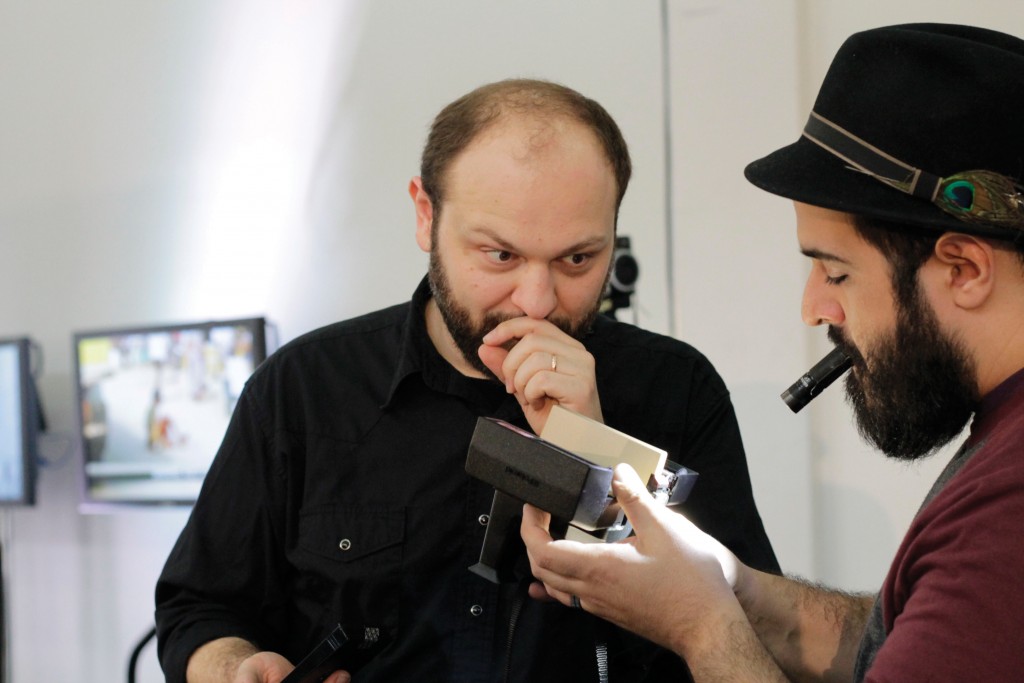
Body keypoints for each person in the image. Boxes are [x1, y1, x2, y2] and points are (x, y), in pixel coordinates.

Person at [154, 78, 780, 683]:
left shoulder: (675, 389)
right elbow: (198, 608)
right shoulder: (304, 390)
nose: (536, 302)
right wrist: (233, 667)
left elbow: (746, 630)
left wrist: (595, 450)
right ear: (426, 216)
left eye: (578, 259)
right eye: (500, 256)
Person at [521, 23, 1024, 682]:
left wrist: (701, 625)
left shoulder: (1007, 512)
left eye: (836, 272)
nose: (815, 308)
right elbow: (916, 635)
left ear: (963, 268)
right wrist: (732, 585)